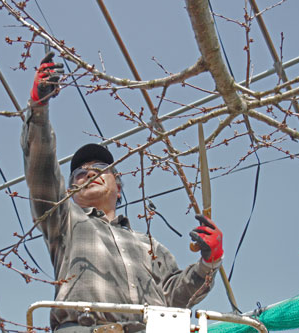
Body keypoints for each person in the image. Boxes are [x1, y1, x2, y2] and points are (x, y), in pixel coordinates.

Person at [21, 52, 224, 333]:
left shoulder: (151, 246)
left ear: (118, 188)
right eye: (79, 172)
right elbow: (41, 170)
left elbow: (176, 297)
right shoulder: (66, 222)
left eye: (100, 168)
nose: (88, 172)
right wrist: (38, 109)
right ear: (69, 191)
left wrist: (208, 263)